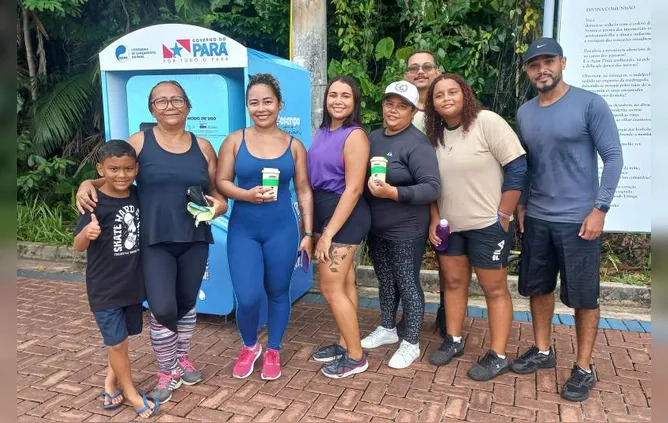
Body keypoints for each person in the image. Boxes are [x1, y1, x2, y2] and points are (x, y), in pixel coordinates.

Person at [76, 80, 228, 403]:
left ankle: (181, 359)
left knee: (186, 303)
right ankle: (165, 370)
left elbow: (217, 194)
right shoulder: (140, 142)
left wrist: (219, 207)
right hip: (154, 240)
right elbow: (115, 174)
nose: (169, 106)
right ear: (151, 109)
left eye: (176, 100)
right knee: (161, 307)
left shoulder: (203, 147)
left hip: (194, 237)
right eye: (161, 101)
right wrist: (86, 182)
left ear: (188, 106)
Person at [512, 37, 623, 401]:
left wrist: (600, 209)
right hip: (538, 218)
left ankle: (583, 367)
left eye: (548, 61)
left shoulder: (590, 103)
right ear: (528, 71)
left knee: (583, 298)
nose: (541, 69)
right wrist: (523, 203)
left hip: (580, 221)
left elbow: (614, 158)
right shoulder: (526, 112)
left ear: (562, 62)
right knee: (538, 288)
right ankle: (543, 351)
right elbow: (527, 163)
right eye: (534, 64)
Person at [424, 73, 527, 381]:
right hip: (450, 226)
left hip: (488, 225)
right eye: (438, 95)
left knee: (493, 288)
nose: (446, 98)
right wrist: (434, 220)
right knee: (454, 283)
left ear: (465, 94)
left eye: (452, 91)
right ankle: (453, 340)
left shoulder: (487, 122)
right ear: (432, 104)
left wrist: (504, 214)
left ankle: (497, 355)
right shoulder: (435, 136)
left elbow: (517, 166)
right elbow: (430, 184)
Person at [217, 73, 313, 381]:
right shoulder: (234, 140)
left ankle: (273, 349)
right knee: (246, 297)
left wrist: (309, 234)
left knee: (277, 291)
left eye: (267, 101)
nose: (261, 108)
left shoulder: (294, 145)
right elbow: (221, 182)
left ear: (280, 105)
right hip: (243, 228)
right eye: (254, 102)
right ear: (247, 106)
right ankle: (249, 346)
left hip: (282, 228)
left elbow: (304, 190)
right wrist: (246, 195)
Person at [73, 140, 159, 418]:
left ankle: (111, 381)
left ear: (136, 169)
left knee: (126, 336)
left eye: (127, 169)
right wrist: (87, 234)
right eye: (113, 169)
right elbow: (77, 245)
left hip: (133, 283)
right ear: (101, 169)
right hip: (104, 286)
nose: (121, 175)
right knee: (117, 343)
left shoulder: (137, 195)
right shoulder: (93, 202)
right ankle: (132, 393)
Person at [360, 81, 441, 369]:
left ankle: (412, 343)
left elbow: (432, 188)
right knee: (385, 280)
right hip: (376, 227)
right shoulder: (373, 138)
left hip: (407, 228)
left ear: (413, 110)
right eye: (389, 103)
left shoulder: (417, 143)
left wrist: (393, 192)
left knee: (407, 283)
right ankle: (387, 328)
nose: (393, 110)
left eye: (402, 105)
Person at [307, 76, 371, 378]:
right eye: (333, 94)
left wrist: (328, 233)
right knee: (344, 284)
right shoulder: (321, 132)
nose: (338, 100)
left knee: (330, 286)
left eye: (346, 96)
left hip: (345, 214)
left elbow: (354, 189)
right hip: (323, 211)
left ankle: (357, 357)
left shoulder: (355, 135)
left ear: (355, 101)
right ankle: (348, 343)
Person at [402, 48, 446, 338]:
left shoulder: (447, 109)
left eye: (427, 66)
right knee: (408, 264)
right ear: (406, 75)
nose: (421, 71)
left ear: (437, 71)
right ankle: (411, 315)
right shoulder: (400, 110)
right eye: (414, 67)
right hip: (412, 202)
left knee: (449, 263)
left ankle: (447, 318)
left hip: (449, 199)